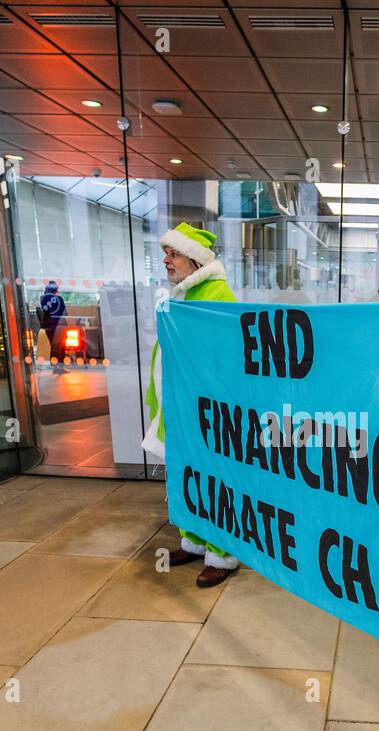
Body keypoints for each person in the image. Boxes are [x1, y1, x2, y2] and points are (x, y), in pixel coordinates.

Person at [142, 222, 239, 588]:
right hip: (181, 406)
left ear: (194, 260)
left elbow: (224, 358)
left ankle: (222, 553)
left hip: (204, 410)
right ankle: (195, 541)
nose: (166, 260)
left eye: (174, 254)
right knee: (186, 476)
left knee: (212, 478)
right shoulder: (186, 294)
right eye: (166, 253)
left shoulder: (217, 296)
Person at [38, 280, 69, 374]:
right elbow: (65, 313)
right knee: (61, 346)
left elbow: (41, 312)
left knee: (53, 346)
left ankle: (55, 365)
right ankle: (60, 366)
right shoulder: (59, 299)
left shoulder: (42, 298)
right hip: (60, 325)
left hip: (48, 327)